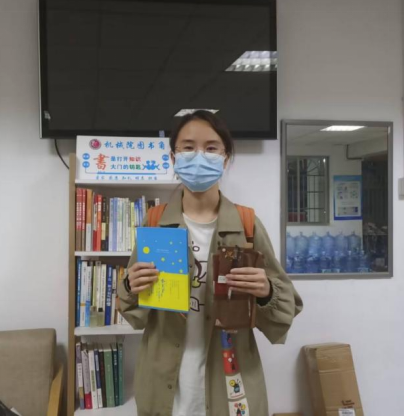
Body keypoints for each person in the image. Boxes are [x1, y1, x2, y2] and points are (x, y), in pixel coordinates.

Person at [118, 110, 303, 416]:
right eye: (188, 147)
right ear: (174, 158)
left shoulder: (246, 225)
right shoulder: (156, 223)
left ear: (225, 158)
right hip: (166, 383)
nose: (199, 156)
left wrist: (267, 292)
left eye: (211, 147)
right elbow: (134, 312)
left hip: (230, 380)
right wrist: (130, 285)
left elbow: (285, 310)